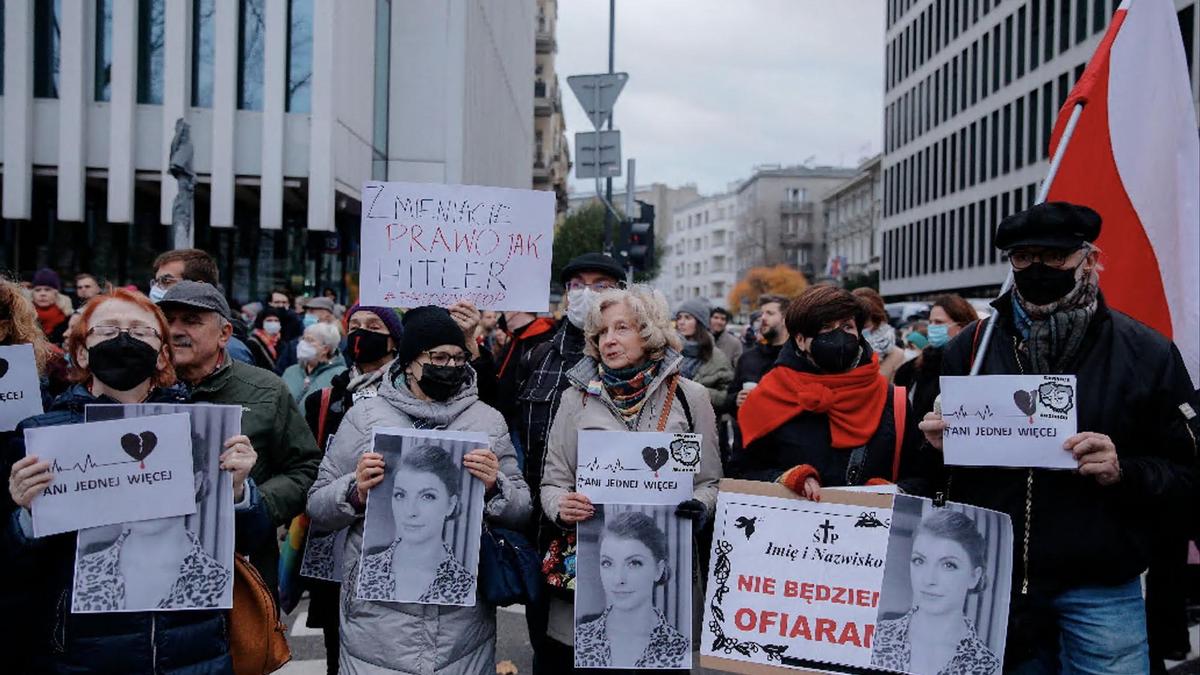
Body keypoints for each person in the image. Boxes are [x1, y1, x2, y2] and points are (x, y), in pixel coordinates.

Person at [919, 202, 1199, 673]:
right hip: (998, 587)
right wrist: (936, 450)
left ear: (1088, 259)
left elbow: (1187, 472)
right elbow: (928, 475)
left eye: (1054, 257)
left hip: (1101, 584)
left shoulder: (1146, 351)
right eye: (1023, 258)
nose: (1038, 269)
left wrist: (1122, 469)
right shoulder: (969, 349)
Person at [2, 288, 267, 672]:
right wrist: (25, 515)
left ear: (162, 353)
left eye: (140, 332)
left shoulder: (202, 430)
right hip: (83, 654)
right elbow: (15, 569)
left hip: (195, 653)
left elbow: (251, 541)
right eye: (107, 331)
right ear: (81, 351)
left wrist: (241, 492)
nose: (123, 340)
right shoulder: (41, 438)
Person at [306, 304, 531, 673]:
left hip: (462, 629)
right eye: (438, 356)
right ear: (409, 362)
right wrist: (355, 491)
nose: (451, 366)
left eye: (459, 357)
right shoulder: (365, 417)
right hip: (374, 629)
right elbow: (318, 505)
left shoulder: (486, 422)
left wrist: (495, 486)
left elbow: (521, 509)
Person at [539, 284, 722, 669]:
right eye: (602, 332)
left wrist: (699, 506)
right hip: (589, 572)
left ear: (649, 332)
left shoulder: (692, 397)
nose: (609, 340)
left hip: (668, 571)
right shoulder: (576, 399)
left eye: (621, 328)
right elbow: (553, 481)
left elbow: (711, 481)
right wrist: (561, 506)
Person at [158, 280, 321, 590]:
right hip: (157, 564)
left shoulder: (265, 390)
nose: (176, 330)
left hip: (242, 568)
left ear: (224, 334)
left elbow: (305, 469)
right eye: (168, 321)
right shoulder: (141, 388)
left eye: (191, 321)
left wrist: (250, 499)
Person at [512, 252, 625, 673]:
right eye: (578, 285)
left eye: (600, 285)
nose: (586, 294)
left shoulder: (643, 366)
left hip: (620, 538)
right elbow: (500, 419)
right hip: (548, 533)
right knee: (553, 652)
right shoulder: (537, 356)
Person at [732, 286, 929, 497]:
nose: (839, 336)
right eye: (826, 326)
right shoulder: (768, 397)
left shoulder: (892, 401)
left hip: (870, 525)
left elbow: (922, 477)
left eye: (847, 326)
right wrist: (784, 479)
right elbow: (740, 472)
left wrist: (894, 491)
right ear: (800, 340)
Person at [297, 303, 404, 675]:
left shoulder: (411, 396)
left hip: (393, 536)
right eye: (354, 325)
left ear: (394, 340)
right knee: (335, 646)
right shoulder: (325, 399)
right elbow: (310, 469)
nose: (362, 333)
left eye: (373, 326)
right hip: (336, 536)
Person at [72, 439, 231, 612]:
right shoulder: (83, 572)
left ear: (194, 483)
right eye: (130, 480)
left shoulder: (219, 583)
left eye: (161, 477)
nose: (143, 497)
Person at [872, 509, 1001, 674]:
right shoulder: (877, 636)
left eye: (948, 565)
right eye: (919, 561)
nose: (928, 579)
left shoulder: (987, 667)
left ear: (974, 577)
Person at [358, 444, 477, 604]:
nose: (410, 511)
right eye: (400, 495)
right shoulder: (366, 569)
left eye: (427, 496)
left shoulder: (465, 586)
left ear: (451, 504)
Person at [574, 510, 690, 669]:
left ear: (658, 570)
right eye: (607, 563)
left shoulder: (679, 647)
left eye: (634, 563)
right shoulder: (581, 637)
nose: (618, 579)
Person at [151, 248, 256, 366]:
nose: (155, 289)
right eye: (169, 321)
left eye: (166, 281)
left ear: (198, 284)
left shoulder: (231, 352)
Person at [893, 293, 976, 421]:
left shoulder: (973, 363)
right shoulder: (920, 364)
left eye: (939, 322)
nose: (932, 327)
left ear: (961, 328)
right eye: (930, 322)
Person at [675, 298, 734, 410]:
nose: (681, 322)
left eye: (687, 317)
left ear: (700, 322)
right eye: (679, 318)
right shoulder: (670, 350)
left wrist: (697, 392)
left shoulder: (716, 356)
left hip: (701, 421)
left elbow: (727, 396)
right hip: (670, 421)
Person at [283, 321, 347, 405]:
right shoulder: (290, 371)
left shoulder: (340, 375)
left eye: (309, 340)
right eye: (303, 339)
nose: (302, 344)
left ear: (325, 349)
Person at [853, 287, 906, 381]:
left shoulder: (897, 355)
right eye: (852, 325)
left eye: (864, 324)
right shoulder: (842, 352)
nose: (859, 329)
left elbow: (897, 392)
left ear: (877, 320)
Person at [31, 268, 70, 346]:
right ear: (32, 294)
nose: (42, 294)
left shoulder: (68, 319)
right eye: (38, 290)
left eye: (47, 290)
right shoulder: (24, 318)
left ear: (56, 293)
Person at [247, 306, 287, 371]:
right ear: (261, 322)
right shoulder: (253, 342)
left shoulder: (281, 341)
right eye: (269, 320)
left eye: (276, 320)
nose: (273, 323)